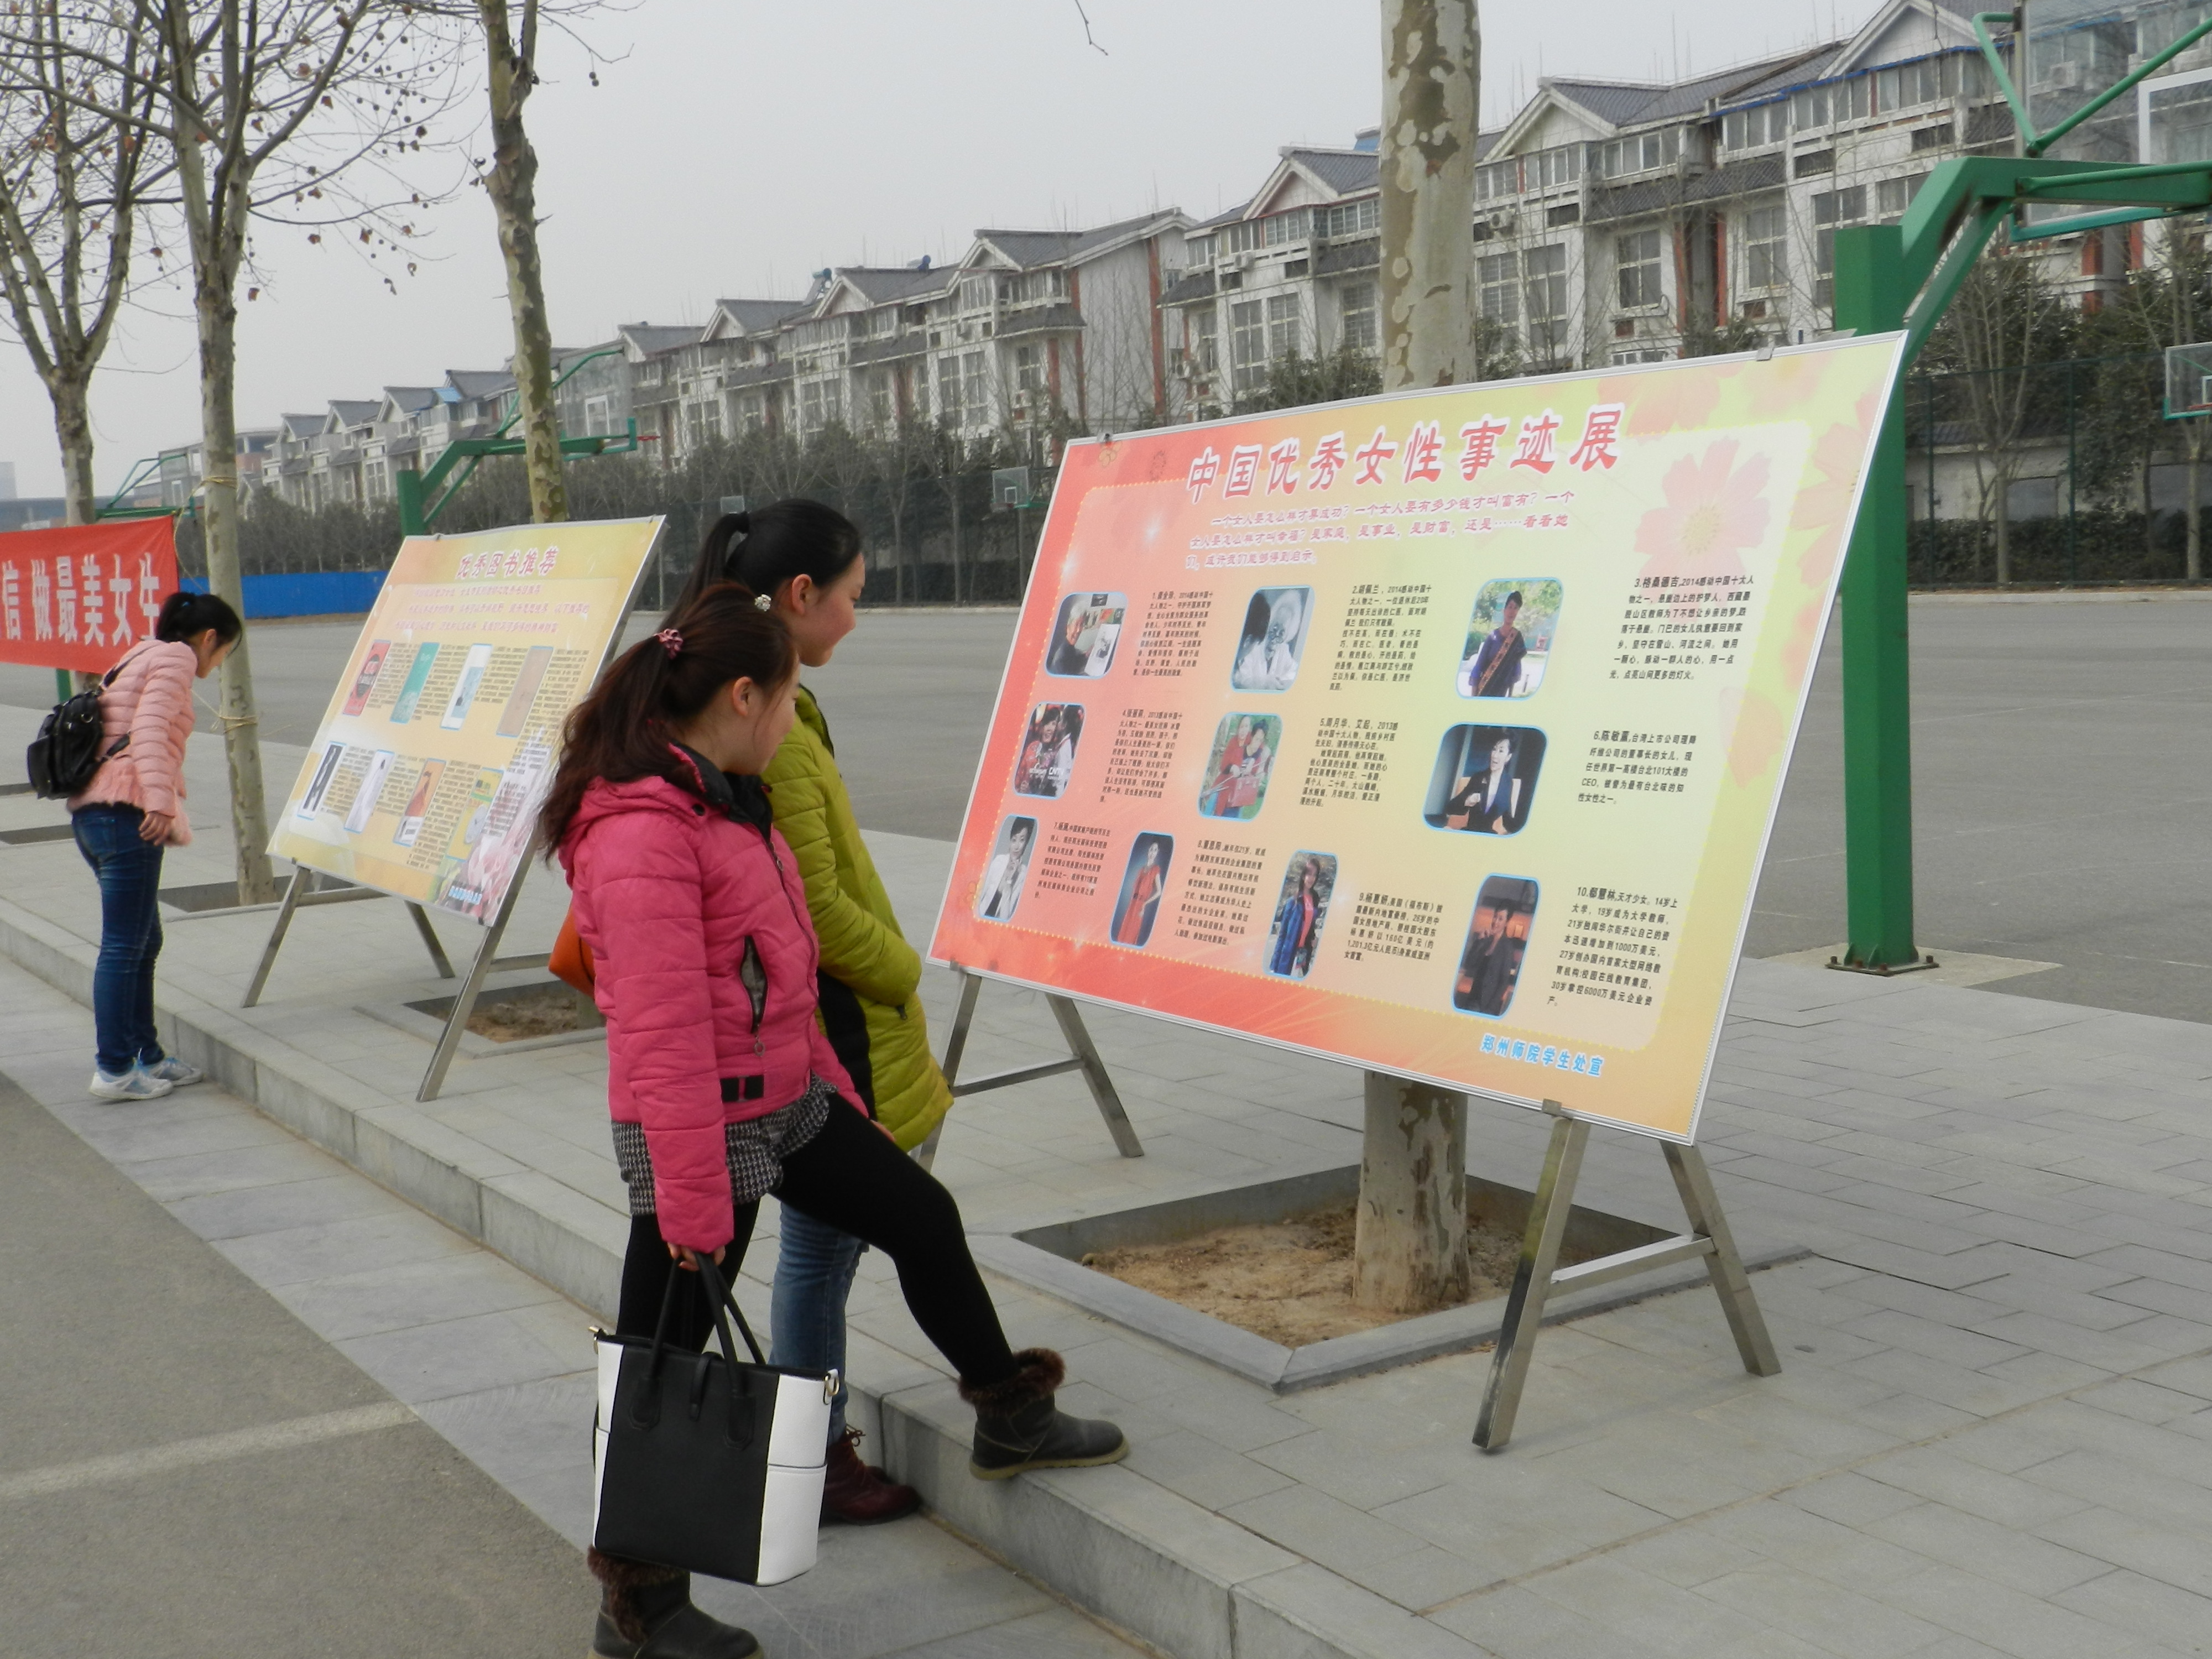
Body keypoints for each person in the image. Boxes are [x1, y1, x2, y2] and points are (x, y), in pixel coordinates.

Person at [549, 581, 1125, 1657]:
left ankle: (1009, 1410)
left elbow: (778, 975)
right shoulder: (641, 832)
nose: (788, 719)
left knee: (918, 1211)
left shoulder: (721, 796)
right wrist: (688, 1198)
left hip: (785, 1102)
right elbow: (664, 1036)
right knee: (663, 1359)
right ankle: (639, 1608)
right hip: (698, 1136)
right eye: (783, 699)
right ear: (738, 695)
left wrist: (837, 1102)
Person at [680, 502, 1051, 1530]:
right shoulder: (769, 733)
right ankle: (809, 1466)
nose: (858, 616)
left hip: (795, 1050)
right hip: (824, 1035)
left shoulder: (754, 705)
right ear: (800, 600)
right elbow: (807, 906)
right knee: (826, 1251)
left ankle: (821, 1458)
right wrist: (899, 967)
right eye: (853, 596)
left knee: (852, 1239)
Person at [69, 591, 242, 1101]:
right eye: (225, 650)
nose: (219, 661)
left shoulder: (139, 653)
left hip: (95, 813)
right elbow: (147, 729)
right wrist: (160, 802)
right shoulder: (177, 657)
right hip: (127, 812)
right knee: (125, 946)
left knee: (144, 942)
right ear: (210, 639)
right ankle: (115, 1069)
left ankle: (148, 1057)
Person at [1445, 732, 1520, 834]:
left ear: (1508, 757)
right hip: (1470, 832)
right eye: (1494, 749)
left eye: (1501, 751)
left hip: (1490, 836)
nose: (1495, 755)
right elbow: (1450, 808)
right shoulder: (1478, 777)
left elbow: (1507, 818)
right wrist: (1468, 800)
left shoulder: (1508, 783)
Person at [1232, 588, 1306, 691]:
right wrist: (1263, 683)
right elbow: (1239, 679)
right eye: (1274, 629)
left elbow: (1295, 670)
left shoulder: (1283, 649)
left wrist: (1281, 681)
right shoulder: (1254, 644)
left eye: (1281, 633)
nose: (1275, 637)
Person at [1455, 908, 1522, 1015]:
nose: (1496, 922)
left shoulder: (1507, 946)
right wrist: (1479, 941)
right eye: (1495, 917)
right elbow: (1469, 963)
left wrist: (1490, 1008)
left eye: (1500, 919)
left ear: (1506, 923)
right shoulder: (1487, 939)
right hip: (1473, 997)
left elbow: (1504, 981)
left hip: (1486, 1004)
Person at [1464, 590, 1527, 698]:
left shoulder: (1517, 638)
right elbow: (1479, 666)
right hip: (1484, 690)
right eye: (1510, 607)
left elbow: (1515, 672)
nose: (1512, 611)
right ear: (1504, 610)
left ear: (1518, 612)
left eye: (1516, 608)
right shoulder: (1493, 637)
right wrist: (1474, 697)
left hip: (1502, 694)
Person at [1269, 860, 1322, 978]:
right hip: (1289, 953)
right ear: (1303, 875)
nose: (1311, 878)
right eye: (1309, 874)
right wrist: (1273, 966)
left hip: (1303, 954)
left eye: (1315, 875)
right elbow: (1282, 936)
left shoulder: (1315, 898)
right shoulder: (1293, 901)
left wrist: (1314, 938)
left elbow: (1310, 924)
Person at [1114, 839, 1165, 946]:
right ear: (1148, 851)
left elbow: (1159, 891)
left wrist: (1145, 904)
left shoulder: (1156, 870)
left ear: (1157, 853)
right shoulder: (1141, 869)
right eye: (1151, 850)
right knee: (1124, 931)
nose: (1152, 852)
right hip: (1132, 904)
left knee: (1132, 933)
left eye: (1155, 850)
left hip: (1141, 906)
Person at [981, 820, 1034, 920]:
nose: (1017, 846)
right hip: (980, 916)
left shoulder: (1023, 873)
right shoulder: (998, 861)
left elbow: (1006, 916)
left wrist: (1009, 881)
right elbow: (981, 893)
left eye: (1022, 840)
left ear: (1026, 843)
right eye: (1014, 840)